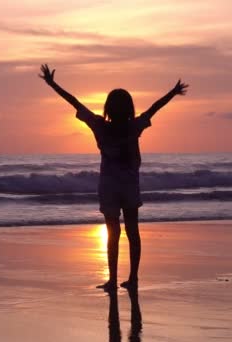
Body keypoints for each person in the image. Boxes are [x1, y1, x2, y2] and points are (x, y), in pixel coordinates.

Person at [39, 64, 188, 291]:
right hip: (128, 186)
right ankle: (133, 278)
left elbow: (74, 102)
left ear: (108, 107)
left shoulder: (100, 125)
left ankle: (112, 279)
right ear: (129, 108)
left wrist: (52, 84)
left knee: (113, 234)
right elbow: (154, 108)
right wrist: (173, 92)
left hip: (109, 187)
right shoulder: (133, 126)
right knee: (132, 232)